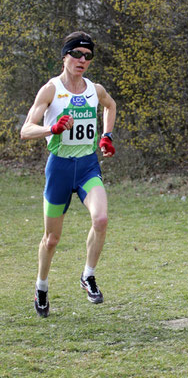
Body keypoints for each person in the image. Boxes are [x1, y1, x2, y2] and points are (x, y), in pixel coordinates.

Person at [20, 31, 116, 318]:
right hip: (59, 169)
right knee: (51, 239)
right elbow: (25, 130)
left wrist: (107, 135)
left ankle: (88, 276)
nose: (82, 60)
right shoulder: (50, 90)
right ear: (64, 56)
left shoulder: (94, 89)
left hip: (87, 166)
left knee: (101, 218)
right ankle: (41, 286)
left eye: (88, 56)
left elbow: (110, 106)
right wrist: (52, 129)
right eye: (76, 54)